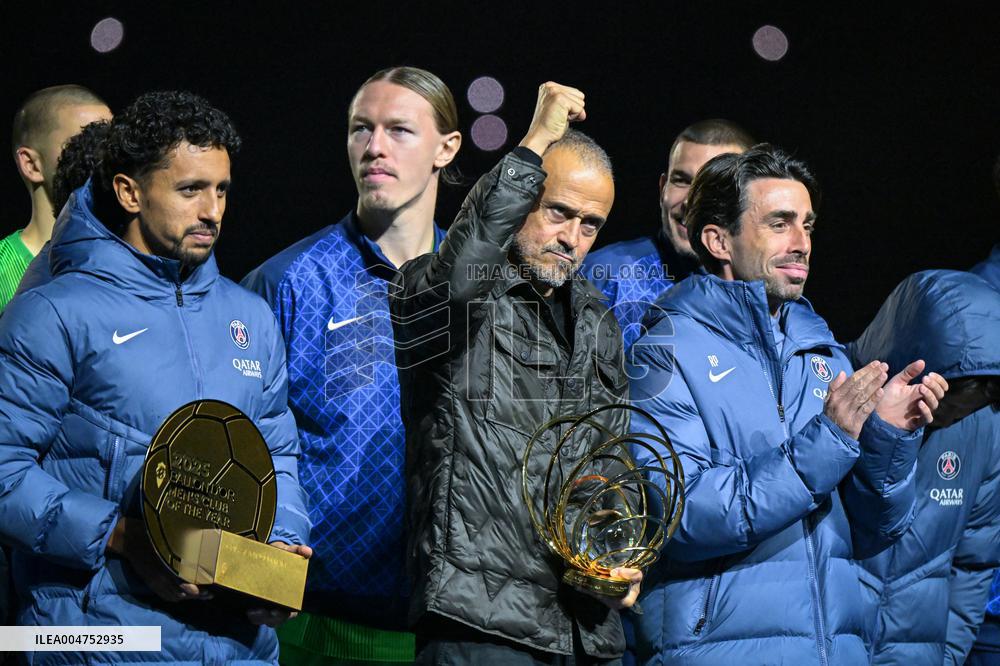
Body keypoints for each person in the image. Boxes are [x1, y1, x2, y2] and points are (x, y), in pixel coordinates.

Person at [0, 90, 310, 664]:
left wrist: (280, 551)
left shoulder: (251, 319)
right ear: (130, 192)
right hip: (98, 640)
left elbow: (277, 457)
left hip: (236, 645)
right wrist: (122, 538)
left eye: (221, 190)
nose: (212, 210)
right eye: (190, 189)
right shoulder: (52, 313)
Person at [626, 144, 947, 665]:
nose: (802, 243)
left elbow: (873, 531)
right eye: (780, 224)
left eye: (808, 225)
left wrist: (889, 437)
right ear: (717, 240)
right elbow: (678, 515)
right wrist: (830, 439)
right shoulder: (665, 354)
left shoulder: (822, 352)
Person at [390, 81, 638, 664]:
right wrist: (536, 141)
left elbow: (612, 458)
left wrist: (622, 550)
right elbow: (460, 277)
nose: (572, 239)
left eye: (590, 225)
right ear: (524, 196)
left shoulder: (599, 321)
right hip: (479, 623)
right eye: (559, 211)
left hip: (584, 631)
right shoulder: (437, 290)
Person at [242, 65, 462, 664]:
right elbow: (244, 447)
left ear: (447, 148)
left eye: (398, 130)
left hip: (457, 628)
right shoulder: (284, 283)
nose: (374, 147)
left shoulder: (481, 289)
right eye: (360, 129)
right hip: (313, 623)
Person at [848, 269, 1000, 665]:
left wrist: (945, 657)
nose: (962, 407)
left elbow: (974, 562)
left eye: (981, 391)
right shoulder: (841, 398)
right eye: (958, 389)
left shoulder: (985, 431)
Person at [582, 120, 754, 349]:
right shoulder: (603, 275)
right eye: (681, 181)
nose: (690, 202)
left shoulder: (768, 292)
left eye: (713, 187)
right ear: (663, 188)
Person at [3, 84, 111, 309]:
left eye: (109, 140)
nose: (104, 155)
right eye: (82, 141)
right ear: (31, 164)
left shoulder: (138, 260)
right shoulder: (3, 273)